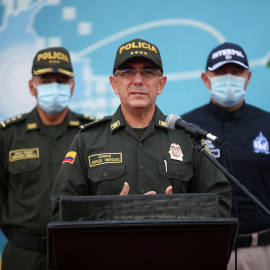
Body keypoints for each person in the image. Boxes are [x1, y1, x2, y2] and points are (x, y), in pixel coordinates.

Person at [51, 38, 232, 222]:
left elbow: (220, 205)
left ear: (161, 84)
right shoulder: (88, 140)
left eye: (148, 72)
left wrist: (177, 212)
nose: (138, 80)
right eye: (128, 72)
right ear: (114, 83)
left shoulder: (187, 139)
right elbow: (62, 210)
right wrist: (110, 213)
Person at [0, 47, 96, 270]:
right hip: (22, 257)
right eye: (46, 80)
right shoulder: (8, 135)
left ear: (72, 87)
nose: (54, 87)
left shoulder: (90, 134)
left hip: (77, 254)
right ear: (32, 87)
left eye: (61, 80)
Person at [182, 42, 270, 270]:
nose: (229, 78)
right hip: (205, 250)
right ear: (205, 78)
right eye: (220, 72)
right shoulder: (186, 127)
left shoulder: (267, 124)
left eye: (236, 72)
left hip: (262, 251)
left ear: (248, 77)